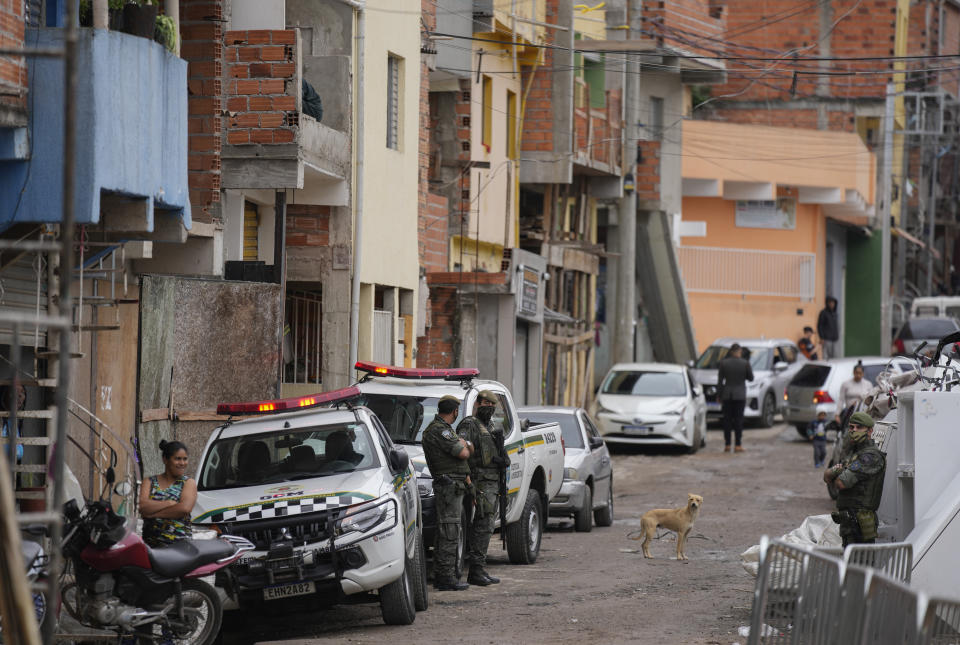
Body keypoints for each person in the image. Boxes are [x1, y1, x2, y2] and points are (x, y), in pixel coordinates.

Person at [421, 394, 473, 591]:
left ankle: (443, 574)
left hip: (452, 486)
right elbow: (464, 453)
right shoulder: (439, 431)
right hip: (448, 487)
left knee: (447, 530)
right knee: (449, 531)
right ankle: (445, 577)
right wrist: (466, 444)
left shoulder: (443, 429)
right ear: (455, 411)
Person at [456, 390, 508, 587]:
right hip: (480, 482)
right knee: (482, 526)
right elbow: (461, 451)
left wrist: (502, 459)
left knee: (486, 526)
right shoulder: (470, 425)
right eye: (485, 403)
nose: (488, 407)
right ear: (478, 404)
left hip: (493, 482)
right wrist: (469, 481)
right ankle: (475, 570)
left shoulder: (491, 426)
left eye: (491, 404)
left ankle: (479, 568)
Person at [823, 411, 886, 547]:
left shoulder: (870, 457)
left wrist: (837, 474)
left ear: (869, 431)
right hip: (848, 523)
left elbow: (840, 483)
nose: (853, 431)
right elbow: (827, 476)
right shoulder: (854, 454)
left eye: (859, 427)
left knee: (860, 563)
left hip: (861, 523)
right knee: (850, 563)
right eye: (851, 427)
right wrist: (836, 472)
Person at [140, 440, 198, 548]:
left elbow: (184, 509)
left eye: (185, 459)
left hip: (180, 547)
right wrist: (169, 503)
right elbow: (143, 507)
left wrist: (153, 515)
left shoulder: (188, 483)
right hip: (151, 548)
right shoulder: (149, 482)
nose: (182, 463)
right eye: (177, 459)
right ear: (165, 460)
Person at [718, 343, 754, 453]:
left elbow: (720, 381)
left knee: (727, 420)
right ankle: (738, 445)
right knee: (738, 420)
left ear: (730, 352)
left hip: (727, 395)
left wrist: (719, 395)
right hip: (740, 395)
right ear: (739, 352)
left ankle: (727, 444)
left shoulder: (724, 363)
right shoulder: (745, 363)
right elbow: (751, 378)